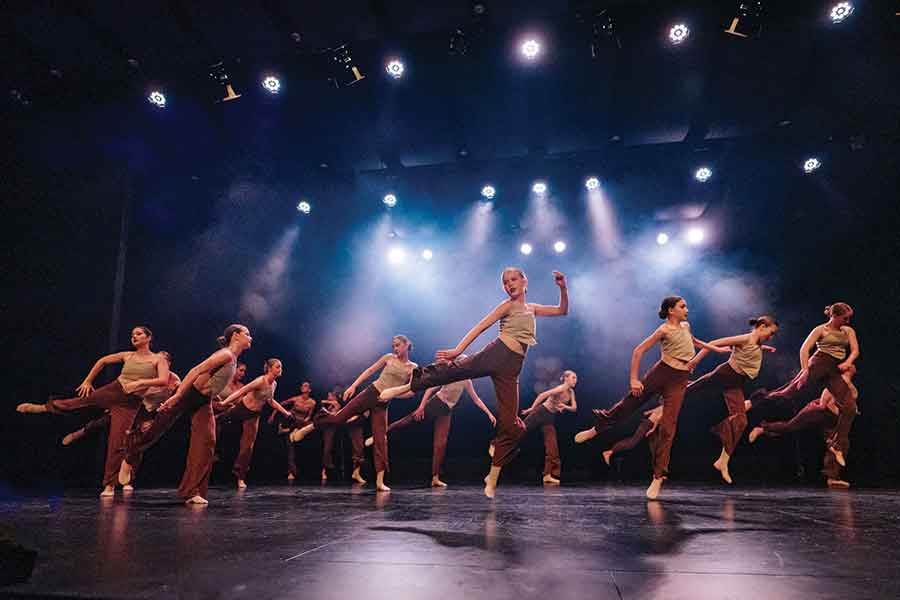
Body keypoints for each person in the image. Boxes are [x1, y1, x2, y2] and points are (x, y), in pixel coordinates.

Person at [379, 268, 569, 498]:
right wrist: (459, 350)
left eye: (513, 279)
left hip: (512, 369)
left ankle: (493, 477)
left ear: (524, 281)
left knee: (512, 425)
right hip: (496, 354)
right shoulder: (506, 306)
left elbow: (562, 310)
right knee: (455, 371)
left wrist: (562, 288)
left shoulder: (532, 308)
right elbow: (481, 327)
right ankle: (406, 387)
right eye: (505, 282)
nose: (509, 284)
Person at [574, 296, 728, 499]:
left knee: (668, 427)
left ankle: (657, 477)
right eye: (682, 306)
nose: (686, 309)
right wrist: (633, 380)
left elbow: (693, 341)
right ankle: (596, 429)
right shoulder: (663, 330)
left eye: (686, 306)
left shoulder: (686, 326)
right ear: (671, 310)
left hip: (680, 379)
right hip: (661, 373)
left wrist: (714, 349)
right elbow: (638, 351)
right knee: (629, 404)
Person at [17, 326, 170, 497]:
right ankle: (44, 407)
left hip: (130, 403)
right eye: (132, 334)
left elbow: (164, 380)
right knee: (79, 402)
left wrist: (140, 383)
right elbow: (102, 361)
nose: (134, 336)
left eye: (139, 334)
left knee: (117, 442)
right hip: (115, 390)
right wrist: (88, 381)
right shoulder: (128, 355)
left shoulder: (158, 359)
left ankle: (109, 485)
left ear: (148, 338)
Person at [120, 324, 252, 505]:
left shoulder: (233, 358)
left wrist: (219, 400)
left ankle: (191, 492)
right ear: (235, 336)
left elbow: (215, 382)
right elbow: (195, 371)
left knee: (207, 442)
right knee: (156, 429)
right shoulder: (225, 354)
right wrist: (179, 396)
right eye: (247, 334)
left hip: (203, 401)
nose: (250, 337)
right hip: (188, 393)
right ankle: (129, 456)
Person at [290, 336, 417, 492]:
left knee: (381, 440)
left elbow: (410, 392)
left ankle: (379, 481)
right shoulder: (388, 357)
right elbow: (370, 371)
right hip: (371, 392)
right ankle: (309, 427)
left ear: (406, 345)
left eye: (397, 345)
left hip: (383, 403)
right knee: (339, 418)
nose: (395, 349)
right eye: (393, 346)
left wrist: (392, 394)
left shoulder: (413, 368)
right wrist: (353, 386)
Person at [760, 302, 859, 467]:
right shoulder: (821, 330)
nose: (848, 321)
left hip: (834, 369)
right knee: (788, 392)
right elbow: (804, 350)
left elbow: (855, 350)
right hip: (818, 363)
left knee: (850, 408)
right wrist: (805, 370)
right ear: (834, 316)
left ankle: (837, 445)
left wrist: (848, 362)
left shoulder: (848, 331)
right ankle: (755, 401)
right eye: (845, 318)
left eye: (849, 318)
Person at [683, 316, 779, 483]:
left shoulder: (756, 343)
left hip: (736, 382)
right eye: (771, 333)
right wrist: (695, 361)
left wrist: (764, 348)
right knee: (693, 388)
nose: (771, 337)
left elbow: (752, 348)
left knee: (741, 422)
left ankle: (723, 461)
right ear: (762, 327)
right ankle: (664, 402)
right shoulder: (744, 338)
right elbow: (714, 342)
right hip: (725, 374)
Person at [369, 372, 496, 487]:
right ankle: (378, 435)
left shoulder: (467, 381)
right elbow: (430, 389)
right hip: (436, 404)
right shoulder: (449, 375)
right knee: (408, 421)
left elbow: (476, 399)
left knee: (441, 444)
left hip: (447, 410)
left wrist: (489, 413)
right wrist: (421, 407)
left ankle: (435, 478)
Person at [747, 365, 859, 489]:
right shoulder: (836, 384)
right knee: (792, 425)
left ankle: (832, 478)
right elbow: (823, 404)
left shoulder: (852, 388)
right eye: (849, 369)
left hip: (833, 419)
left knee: (842, 444)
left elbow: (851, 405)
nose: (851, 371)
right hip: (819, 410)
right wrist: (836, 407)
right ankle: (762, 429)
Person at [216, 359, 292, 489]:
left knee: (248, 447)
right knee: (219, 420)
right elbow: (241, 391)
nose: (280, 369)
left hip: (254, 415)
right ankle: (212, 450)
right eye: (278, 367)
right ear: (269, 368)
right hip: (242, 408)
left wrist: (285, 412)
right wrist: (224, 403)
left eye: (281, 367)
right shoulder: (259, 381)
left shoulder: (273, 384)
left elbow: (270, 401)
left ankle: (240, 476)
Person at [517, 370, 578, 484]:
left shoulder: (571, 392)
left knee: (552, 446)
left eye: (576, 378)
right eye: (573, 377)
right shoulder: (560, 389)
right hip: (541, 412)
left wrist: (565, 406)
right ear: (565, 378)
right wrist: (532, 408)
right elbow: (542, 395)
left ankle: (547, 475)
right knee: (521, 431)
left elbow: (574, 408)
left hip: (549, 417)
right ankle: (498, 445)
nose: (575, 380)